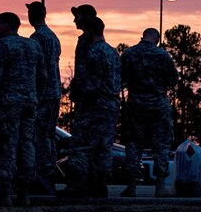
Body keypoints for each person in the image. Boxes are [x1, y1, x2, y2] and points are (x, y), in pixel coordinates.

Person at [0, 12, 45, 207]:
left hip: (10, 102)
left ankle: (5, 191)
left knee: (8, 143)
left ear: (7, 25)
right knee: (27, 143)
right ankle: (24, 192)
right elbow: (42, 76)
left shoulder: (4, 45)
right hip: (30, 102)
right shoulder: (33, 45)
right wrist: (36, 97)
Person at [120, 28, 178, 197]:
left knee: (133, 145)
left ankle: (131, 187)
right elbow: (173, 80)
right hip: (158, 106)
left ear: (141, 37)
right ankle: (160, 187)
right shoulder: (163, 55)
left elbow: (120, 78)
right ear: (157, 40)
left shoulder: (128, 54)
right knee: (161, 145)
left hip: (136, 105)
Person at [66, 16, 120, 198]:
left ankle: (77, 185)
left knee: (81, 145)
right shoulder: (113, 52)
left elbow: (93, 84)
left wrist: (77, 93)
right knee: (103, 147)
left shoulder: (94, 53)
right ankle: (100, 185)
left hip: (93, 105)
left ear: (90, 31)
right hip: (110, 106)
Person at [25, 0, 61, 194]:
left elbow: (38, 68)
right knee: (49, 136)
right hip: (54, 93)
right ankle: (49, 176)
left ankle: (43, 178)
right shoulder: (53, 37)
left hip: (44, 94)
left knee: (40, 138)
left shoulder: (37, 37)